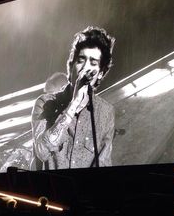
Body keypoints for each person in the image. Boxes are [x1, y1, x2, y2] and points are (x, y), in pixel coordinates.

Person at [30, 26, 115, 170]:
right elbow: (41, 152)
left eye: (93, 63)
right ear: (71, 64)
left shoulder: (106, 112)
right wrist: (73, 105)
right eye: (81, 60)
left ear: (100, 73)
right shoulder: (45, 103)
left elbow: (103, 162)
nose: (85, 68)